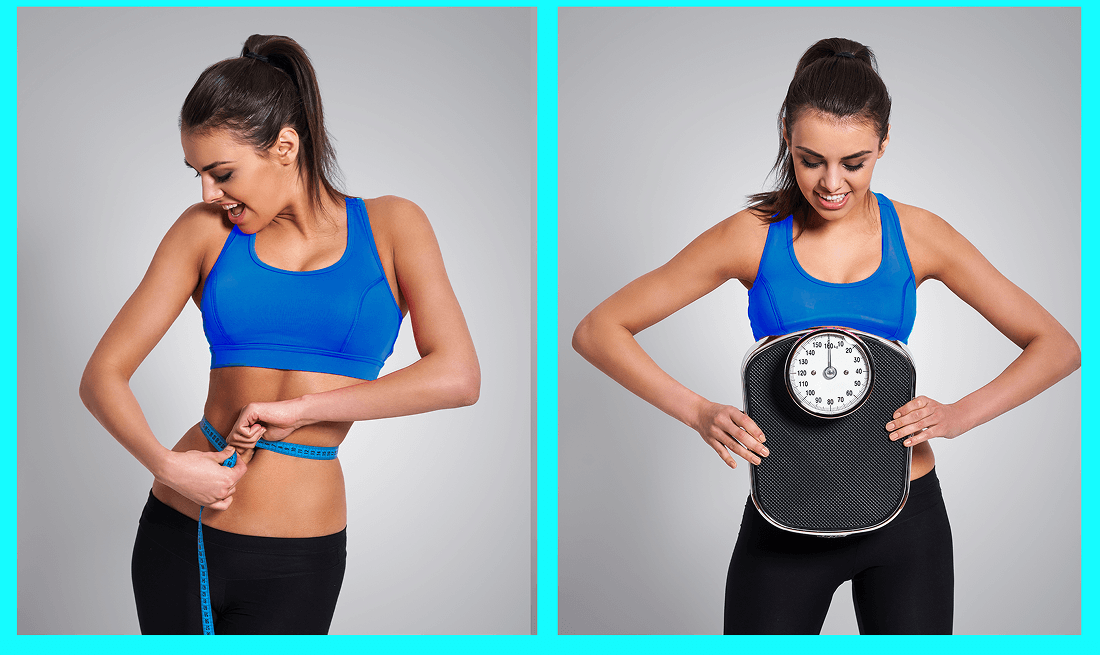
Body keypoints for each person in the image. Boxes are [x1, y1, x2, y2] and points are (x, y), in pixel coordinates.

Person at [571, 37, 1079, 635]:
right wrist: (698, 412)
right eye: (811, 159)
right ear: (786, 135)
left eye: (854, 163)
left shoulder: (920, 234)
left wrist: (957, 415)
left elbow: (1057, 346)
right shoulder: (751, 235)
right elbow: (598, 329)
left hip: (906, 519)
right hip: (784, 515)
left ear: (883, 143)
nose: (831, 183)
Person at [79, 34, 480, 635]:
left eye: (222, 173)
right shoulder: (204, 232)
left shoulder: (395, 226)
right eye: (198, 174)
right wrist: (168, 465)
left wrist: (302, 411)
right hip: (183, 535)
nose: (209, 193)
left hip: (301, 555)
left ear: (285, 146)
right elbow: (102, 376)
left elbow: (458, 377)